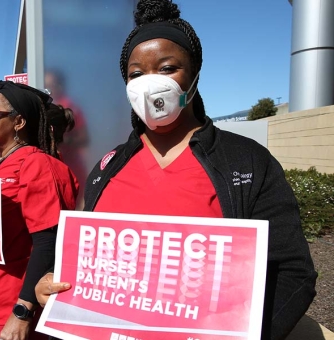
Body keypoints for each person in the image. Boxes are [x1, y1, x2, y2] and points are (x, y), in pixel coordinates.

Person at [35, 1, 317, 339]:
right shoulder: (107, 167)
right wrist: (52, 282)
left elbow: (293, 273)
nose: (150, 84)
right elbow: (87, 262)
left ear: (195, 75)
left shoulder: (246, 162)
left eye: (167, 68)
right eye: (136, 74)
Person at [0, 80, 79, 340]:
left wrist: (22, 312)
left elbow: (48, 242)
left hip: (12, 309)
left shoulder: (36, 164)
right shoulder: (0, 162)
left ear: (18, 122)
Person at [44, 70, 89, 209]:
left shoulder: (70, 105)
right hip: (49, 169)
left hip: (71, 169)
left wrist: (62, 140)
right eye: (46, 86)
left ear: (60, 86)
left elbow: (85, 138)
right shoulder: (41, 106)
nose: (49, 90)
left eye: (51, 86)